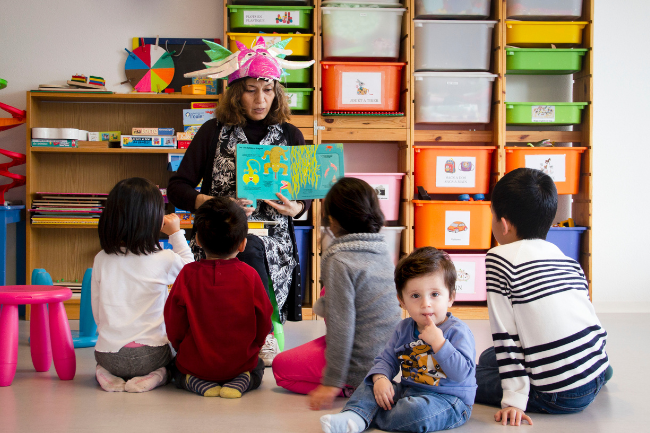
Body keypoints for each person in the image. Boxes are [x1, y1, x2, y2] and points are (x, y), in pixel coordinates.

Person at [167, 37, 315, 366]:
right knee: (243, 248)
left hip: (273, 236)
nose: (260, 99)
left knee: (253, 248)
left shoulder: (292, 136)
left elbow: (306, 198)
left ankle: (260, 334)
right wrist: (213, 202)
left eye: (268, 88)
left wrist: (297, 208)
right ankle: (263, 334)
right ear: (237, 92)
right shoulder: (211, 131)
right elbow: (177, 187)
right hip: (219, 232)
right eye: (251, 89)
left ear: (277, 91)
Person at [475, 168, 610, 426]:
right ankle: (594, 369)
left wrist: (513, 400)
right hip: (596, 371)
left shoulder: (500, 259)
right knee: (489, 357)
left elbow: (507, 337)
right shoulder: (566, 259)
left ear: (503, 223)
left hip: (560, 395)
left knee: (466, 374)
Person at [272, 178, 402, 410]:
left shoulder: (338, 259)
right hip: (388, 361)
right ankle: (360, 379)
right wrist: (327, 305)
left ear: (333, 219)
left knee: (280, 367)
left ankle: (351, 386)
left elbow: (342, 328)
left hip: (359, 361)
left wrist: (331, 383)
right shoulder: (381, 248)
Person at [320, 247, 476, 433]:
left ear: (450, 297)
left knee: (417, 412)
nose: (425, 304)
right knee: (370, 383)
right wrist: (381, 378)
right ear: (401, 300)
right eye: (415, 296)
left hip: (449, 401)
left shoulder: (457, 331)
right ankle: (354, 416)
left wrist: (440, 344)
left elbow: (462, 374)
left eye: (435, 294)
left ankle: (366, 414)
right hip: (408, 391)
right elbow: (386, 360)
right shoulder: (403, 328)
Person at [91, 177, 194, 393]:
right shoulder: (164, 258)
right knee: (171, 362)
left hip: (108, 354)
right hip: (151, 355)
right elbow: (191, 272)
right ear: (154, 219)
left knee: (104, 361)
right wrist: (176, 233)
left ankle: (105, 373)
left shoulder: (102, 258)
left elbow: (97, 310)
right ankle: (157, 375)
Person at [164, 197, 272, 398]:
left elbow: (173, 323)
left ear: (197, 240)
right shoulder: (250, 275)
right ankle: (243, 380)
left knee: (174, 367)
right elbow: (264, 320)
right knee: (257, 368)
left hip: (196, 363)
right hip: (241, 363)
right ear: (243, 244)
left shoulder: (187, 275)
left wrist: (183, 348)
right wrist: (254, 347)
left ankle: (193, 381)